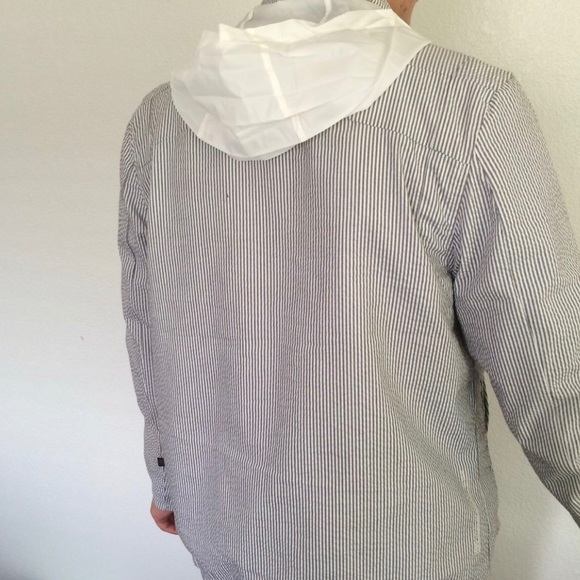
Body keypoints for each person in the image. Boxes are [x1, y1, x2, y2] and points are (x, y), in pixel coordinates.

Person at [118, 0, 580, 577]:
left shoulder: (159, 121)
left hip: (224, 529)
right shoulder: (469, 103)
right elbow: (549, 358)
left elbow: (148, 325)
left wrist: (167, 476)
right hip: (404, 543)